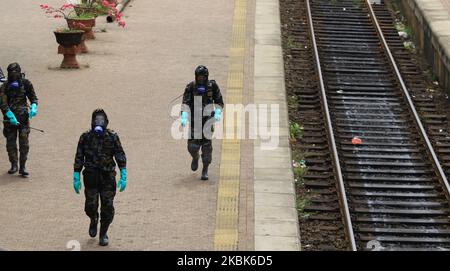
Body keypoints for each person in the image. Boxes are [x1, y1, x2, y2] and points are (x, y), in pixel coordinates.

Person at [73, 108, 127, 246]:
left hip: (107, 177)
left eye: (102, 120)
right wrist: (76, 175)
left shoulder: (112, 137)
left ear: (106, 122)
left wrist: (123, 174)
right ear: (92, 122)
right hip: (91, 177)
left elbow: (120, 155)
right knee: (90, 206)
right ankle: (93, 218)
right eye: (96, 120)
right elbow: (79, 156)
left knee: (107, 207)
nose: (99, 123)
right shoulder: (85, 137)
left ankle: (103, 233)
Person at [180, 65, 224, 180]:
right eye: (199, 77)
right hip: (195, 121)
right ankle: (195, 157)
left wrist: (218, 112)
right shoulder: (190, 87)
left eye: (203, 77)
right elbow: (185, 103)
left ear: (206, 77)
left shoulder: (212, 86)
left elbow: (219, 101)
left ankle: (205, 169)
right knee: (192, 147)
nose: (201, 79)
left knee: (207, 148)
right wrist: (184, 115)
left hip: (207, 122)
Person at [0, 63, 38, 177]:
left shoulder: (26, 84)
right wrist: (9, 115)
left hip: (23, 120)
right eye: (11, 73)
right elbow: (2, 103)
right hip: (9, 121)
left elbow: (33, 97)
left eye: (15, 73)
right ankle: (14, 164)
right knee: (10, 144)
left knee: (24, 144)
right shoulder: (5, 86)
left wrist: (34, 106)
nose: (13, 75)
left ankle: (22, 166)